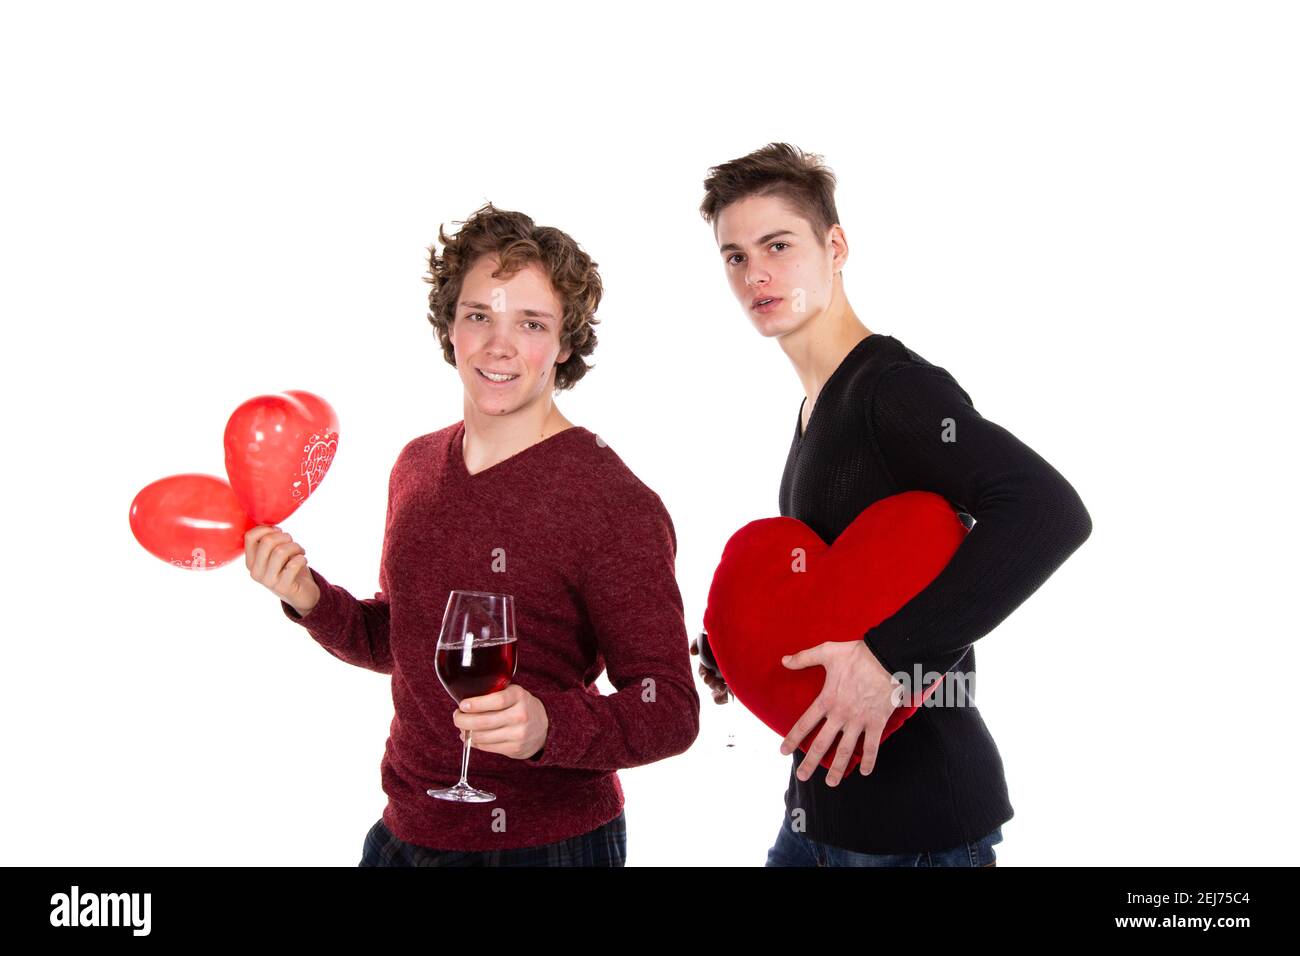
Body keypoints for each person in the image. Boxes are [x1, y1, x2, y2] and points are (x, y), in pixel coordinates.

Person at [246, 203, 699, 866]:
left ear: (567, 343)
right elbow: (403, 641)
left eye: (532, 323)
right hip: (405, 833)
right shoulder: (417, 466)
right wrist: (312, 599)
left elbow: (671, 709)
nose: (498, 345)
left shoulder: (613, 502)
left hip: (545, 847)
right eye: (479, 315)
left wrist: (548, 726)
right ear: (450, 326)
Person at [693, 143, 1092, 867]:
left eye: (778, 245)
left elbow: (1046, 512)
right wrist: (745, 642)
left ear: (834, 246)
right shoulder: (819, 405)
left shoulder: (894, 389)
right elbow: (841, 594)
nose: (756, 274)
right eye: (734, 256)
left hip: (918, 834)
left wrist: (889, 659)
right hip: (818, 821)